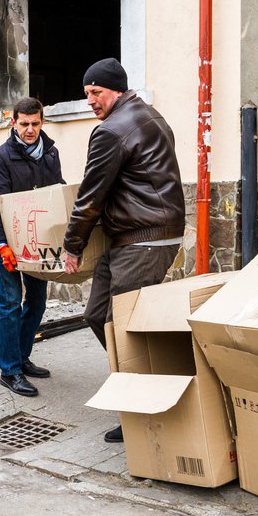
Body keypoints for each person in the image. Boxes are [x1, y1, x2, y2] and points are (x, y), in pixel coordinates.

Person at [62, 58, 185, 441]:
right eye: (86, 94)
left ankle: (142, 412)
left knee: (127, 329)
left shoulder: (112, 130)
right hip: (136, 236)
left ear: (115, 89)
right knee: (98, 314)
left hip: (143, 239)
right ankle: (140, 385)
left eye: (96, 92)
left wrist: (72, 245)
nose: (90, 101)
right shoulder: (150, 116)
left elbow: (90, 196)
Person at [0, 97, 64, 397]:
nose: (30, 130)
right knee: (10, 306)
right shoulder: (0, 158)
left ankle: (22, 357)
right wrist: (2, 244)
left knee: (37, 302)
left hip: (37, 242)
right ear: (13, 122)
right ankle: (10, 370)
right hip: (7, 242)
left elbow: (55, 195)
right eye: (24, 124)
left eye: (35, 123)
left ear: (42, 122)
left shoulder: (51, 154)